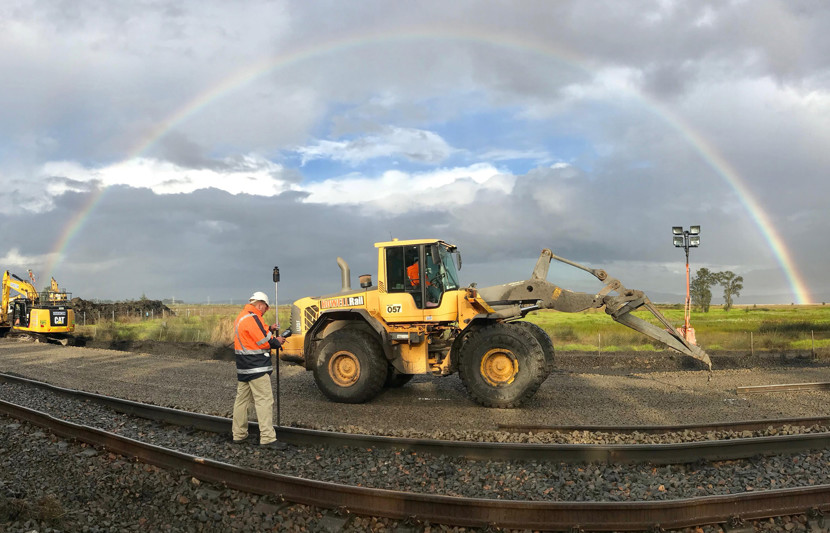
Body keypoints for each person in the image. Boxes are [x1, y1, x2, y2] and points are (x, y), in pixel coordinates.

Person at [231, 291, 287, 449]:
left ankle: (239, 434)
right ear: (261, 304)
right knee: (264, 400)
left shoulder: (243, 316)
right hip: (256, 367)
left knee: (241, 401)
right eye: (266, 308)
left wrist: (270, 328)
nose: (266, 311)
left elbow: (256, 334)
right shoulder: (252, 317)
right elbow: (263, 341)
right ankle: (268, 438)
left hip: (244, 367)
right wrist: (277, 341)